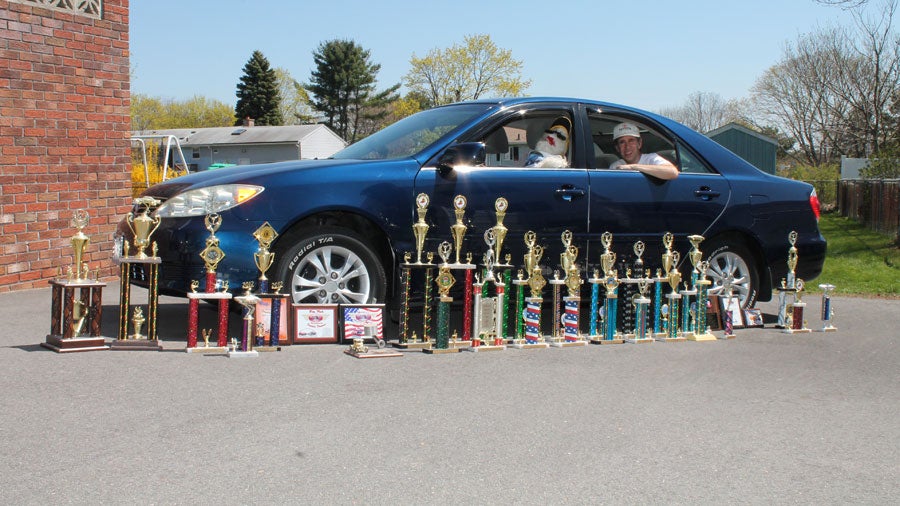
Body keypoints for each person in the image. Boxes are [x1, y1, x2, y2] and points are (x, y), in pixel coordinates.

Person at [608, 122, 679, 180]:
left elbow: (672, 172)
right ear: (617, 148)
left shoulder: (651, 158)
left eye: (631, 141)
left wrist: (632, 167)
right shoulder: (615, 166)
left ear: (639, 143)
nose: (627, 147)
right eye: (622, 142)